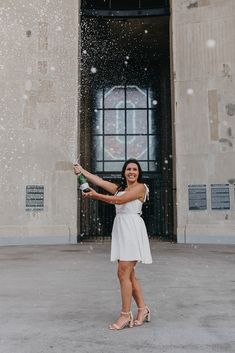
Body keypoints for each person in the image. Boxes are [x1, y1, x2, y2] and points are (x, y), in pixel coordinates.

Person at [73, 158, 152, 330]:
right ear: (124, 172)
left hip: (132, 229)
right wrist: (81, 171)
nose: (131, 172)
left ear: (139, 173)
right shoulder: (119, 189)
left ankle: (125, 315)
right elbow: (99, 181)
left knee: (123, 271)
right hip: (121, 230)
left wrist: (95, 195)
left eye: (135, 169)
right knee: (128, 274)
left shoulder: (141, 187)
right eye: (128, 169)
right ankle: (142, 309)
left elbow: (121, 201)